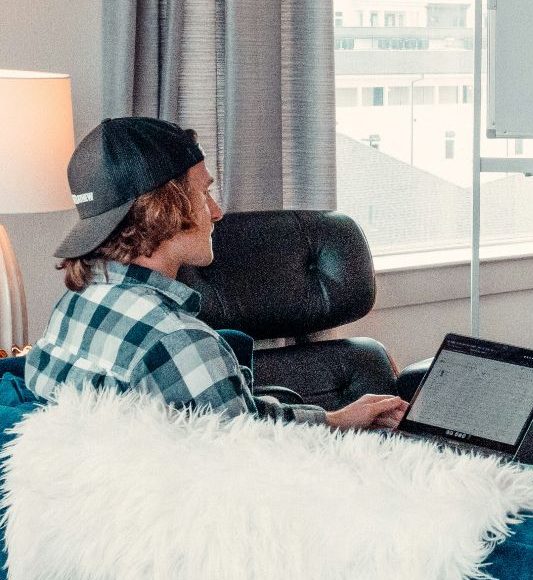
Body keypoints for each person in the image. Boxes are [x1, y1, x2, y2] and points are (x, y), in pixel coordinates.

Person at [26, 116, 408, 430]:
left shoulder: (75, 306)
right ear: (164, 207)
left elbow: (238, 421)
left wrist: (334, 420)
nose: (217, 212)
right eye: (203, 193)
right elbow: (258, 462)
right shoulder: (179, 341)